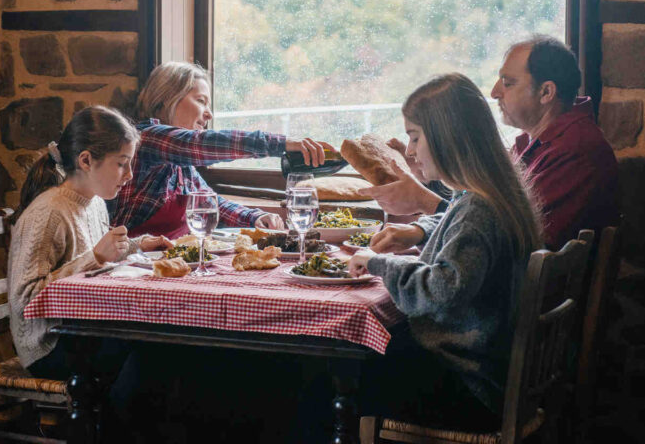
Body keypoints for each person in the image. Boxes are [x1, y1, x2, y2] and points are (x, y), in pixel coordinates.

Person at [343, 73, 543, 430]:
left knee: (332, 373)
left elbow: (442, 288)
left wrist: (378, 263)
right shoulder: (490, 194)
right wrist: (420, 229)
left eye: (415, 136)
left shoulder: (478, 209)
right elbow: (459, 224)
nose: (409, 150)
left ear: (446, 138)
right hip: (482, 371)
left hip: (467, 386)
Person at [364, 35, 618, 249]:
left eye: (508, 83)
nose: (495, 92)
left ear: (546, 92)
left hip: (524, 304)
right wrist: (436, 173)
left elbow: (508, 241)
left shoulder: (575, 151)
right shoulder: (538, 142)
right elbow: (488, 214)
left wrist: (423, 201)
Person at [7, 105, 171, 379]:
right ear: (85, 161)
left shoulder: (93, 202)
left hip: (82, 330)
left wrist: (138, 245)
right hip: (48, 346)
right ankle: (114, 422)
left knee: (165, 339)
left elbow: (93, 256)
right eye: (121, 163)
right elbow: (24, 302)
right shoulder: (48, 214)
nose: (129, 174)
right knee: (149, 353)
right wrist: (96, 257)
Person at [109, 62, 331, 238]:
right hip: (131, 267)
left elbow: (212, 202)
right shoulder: (146, 138)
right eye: (201, 101)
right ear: (168, 99)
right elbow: (199, 144)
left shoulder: (182, 166)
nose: (209, 114)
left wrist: (255, 217)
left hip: (171, 265)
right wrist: (281, 144)